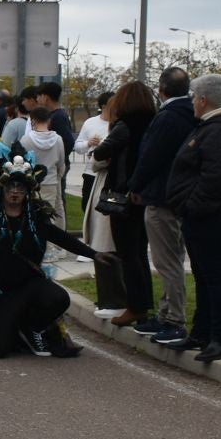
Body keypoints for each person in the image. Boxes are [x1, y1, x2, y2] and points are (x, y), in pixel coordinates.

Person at [0, 150, 95, 359]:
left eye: (20, 187)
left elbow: (60, 237)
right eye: (10, 186)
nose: (15, 191)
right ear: (1, 188)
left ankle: (34, 328)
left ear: (28, 190)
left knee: (59, 297)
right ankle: (14, 326)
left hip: (27, 283)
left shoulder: (36, 214)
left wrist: (95, 255)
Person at [161, 74, 221, 362]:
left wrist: (193, 206)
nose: (192, 102)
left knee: (214, 276)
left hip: (213, 216)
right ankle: (201, 334)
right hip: (204, 215)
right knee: (204, 276)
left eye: (194, 97)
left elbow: (218, 176)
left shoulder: (218, 131)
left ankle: (220, 338)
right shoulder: (211, 127)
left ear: (203, 100)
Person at [125, 67, 197, 344]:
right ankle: (166, 312)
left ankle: (174, 319)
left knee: (167, 262)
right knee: (173, 258)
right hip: (181, 195)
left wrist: (135, 185)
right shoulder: (192, 113)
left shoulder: (167, 117)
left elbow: (151, 155)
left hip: (161, 197)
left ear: (162, 88)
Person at [91, 81, 158, 328]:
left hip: (123, 195)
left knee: (128, 254)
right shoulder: (154, 122)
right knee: (140, 252)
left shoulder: (125, 125)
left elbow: (100, 153)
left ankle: (136, 306)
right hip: (145, 195)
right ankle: (143, 303)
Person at [21, 108, 67, 219]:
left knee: (33, 214)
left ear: (32, 121)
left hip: (31, 182)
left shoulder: (25, 139)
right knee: (51, 214)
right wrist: (58, 177)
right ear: (49, 121)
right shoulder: (58, 139)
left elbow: (22, 164)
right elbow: (61, 164)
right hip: (51, 182)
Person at [76, 92, 112, 221]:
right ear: (103, 106)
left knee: (106, 211)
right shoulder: (90, 123)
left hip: (110, 175)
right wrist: (88, 143)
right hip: (90, 172)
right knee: (86, 206)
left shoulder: (119, 123)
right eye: (112, 105)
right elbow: (78, 147)